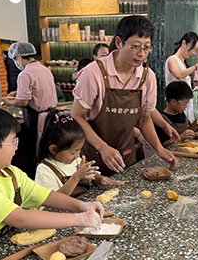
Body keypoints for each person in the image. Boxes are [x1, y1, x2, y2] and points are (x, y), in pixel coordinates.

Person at [0, 107, 104, 260]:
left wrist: (83, 206)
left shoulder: (10, 172)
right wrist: (78, 219)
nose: (16, 147)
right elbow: (21, 218)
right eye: (13, 142)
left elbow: (47, 196)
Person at [71, 15, 178, 175]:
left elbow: (144, 118)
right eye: (135, 46)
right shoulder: (93, 73)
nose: (141, 54)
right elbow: (76, 116)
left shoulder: (147, 77)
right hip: (93, 156)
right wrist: (103, 147)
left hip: (126, 155)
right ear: (118, 42)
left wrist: (159, 148)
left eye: (147, 47)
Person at [35, 110, 124, 196]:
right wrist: (76, 177)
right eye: (73, 153)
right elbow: (52, 200)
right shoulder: (45, 170)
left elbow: (92, 176)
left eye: (80, 150)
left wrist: (101, 179)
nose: (78, 155)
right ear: (54, 149)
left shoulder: (76, 161)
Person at [2, 42, 58, 178]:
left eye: (14, 59)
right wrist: (19, 92)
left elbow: (22, 102)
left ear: (18, 57)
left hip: (37, 120)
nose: (15, 63)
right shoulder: (45, 69)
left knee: (35, 155)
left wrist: (8, 102)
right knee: (48, 154)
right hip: (52, 116)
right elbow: (39, 90)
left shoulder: (25, 74)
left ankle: (36, 181)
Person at [154, 81, 198, 147]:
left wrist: (196, 122)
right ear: (173, 102)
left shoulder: (182, 114)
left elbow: (189, 130)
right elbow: (162, 144)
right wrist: (180, 137)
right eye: (185, 103)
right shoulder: (161, 120)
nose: (186, 106)